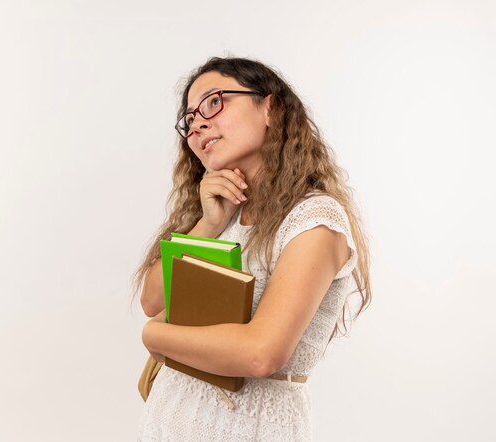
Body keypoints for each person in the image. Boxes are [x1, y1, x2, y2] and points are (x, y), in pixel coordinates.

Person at [131, 56, 372, 441]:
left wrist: (154, 337)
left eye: (214, 102)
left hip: (249, 428)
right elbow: (152, 299)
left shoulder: (315, 220)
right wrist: (208, 224)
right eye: (189, 120)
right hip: (169, 418)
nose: (198, 125)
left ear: (270, 108)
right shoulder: (220, 215)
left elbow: (261, 353)